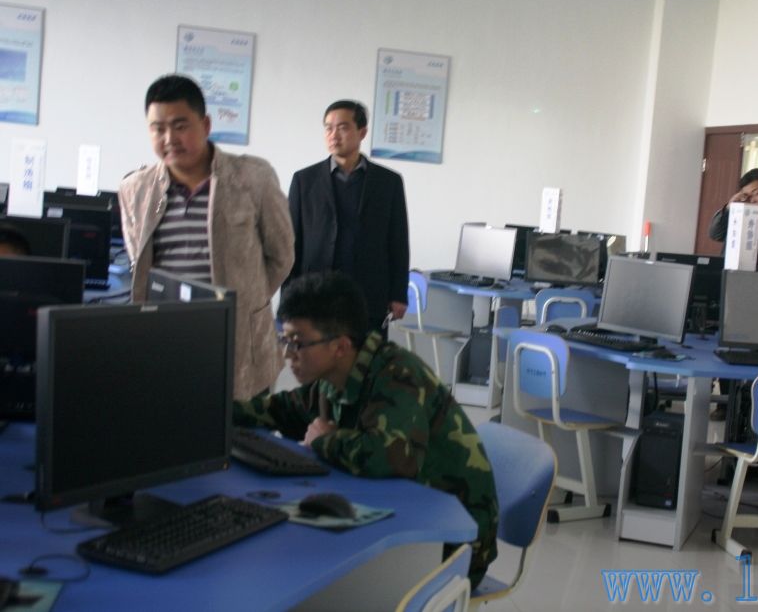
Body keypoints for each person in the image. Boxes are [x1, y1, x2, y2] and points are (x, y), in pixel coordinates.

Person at [233, 272, 498, 587]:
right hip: (405, 517)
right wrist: (214, 415)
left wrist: (326, 440)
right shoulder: (331, 381)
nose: (287, 354)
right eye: (284, 340)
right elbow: (278, 410)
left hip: (454, 547)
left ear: (340, 346)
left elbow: (392, 456)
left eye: (297, 343)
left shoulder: (398, 375)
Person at [119, 74, 294, 399]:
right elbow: (139, 266)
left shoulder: (253, 178)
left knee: (240, 426)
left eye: (180, 125)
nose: (169, 138)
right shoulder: (135, 190)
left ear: (206, 124)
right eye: (158, 128)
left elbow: (282, 255)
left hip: (240, 343)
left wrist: (247, 303)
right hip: (167, 340)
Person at [287, 100, 409, 333]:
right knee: (317, 355)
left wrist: (398, 294)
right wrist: (289, 295)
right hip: (315, 294)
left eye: (342, 127)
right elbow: (291, 242)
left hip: (369, 294)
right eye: (328, 128)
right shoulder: (304, 180)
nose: (334, 135)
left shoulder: (388, 182)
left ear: (362, 132)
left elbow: (398, 241)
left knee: (367, 355)